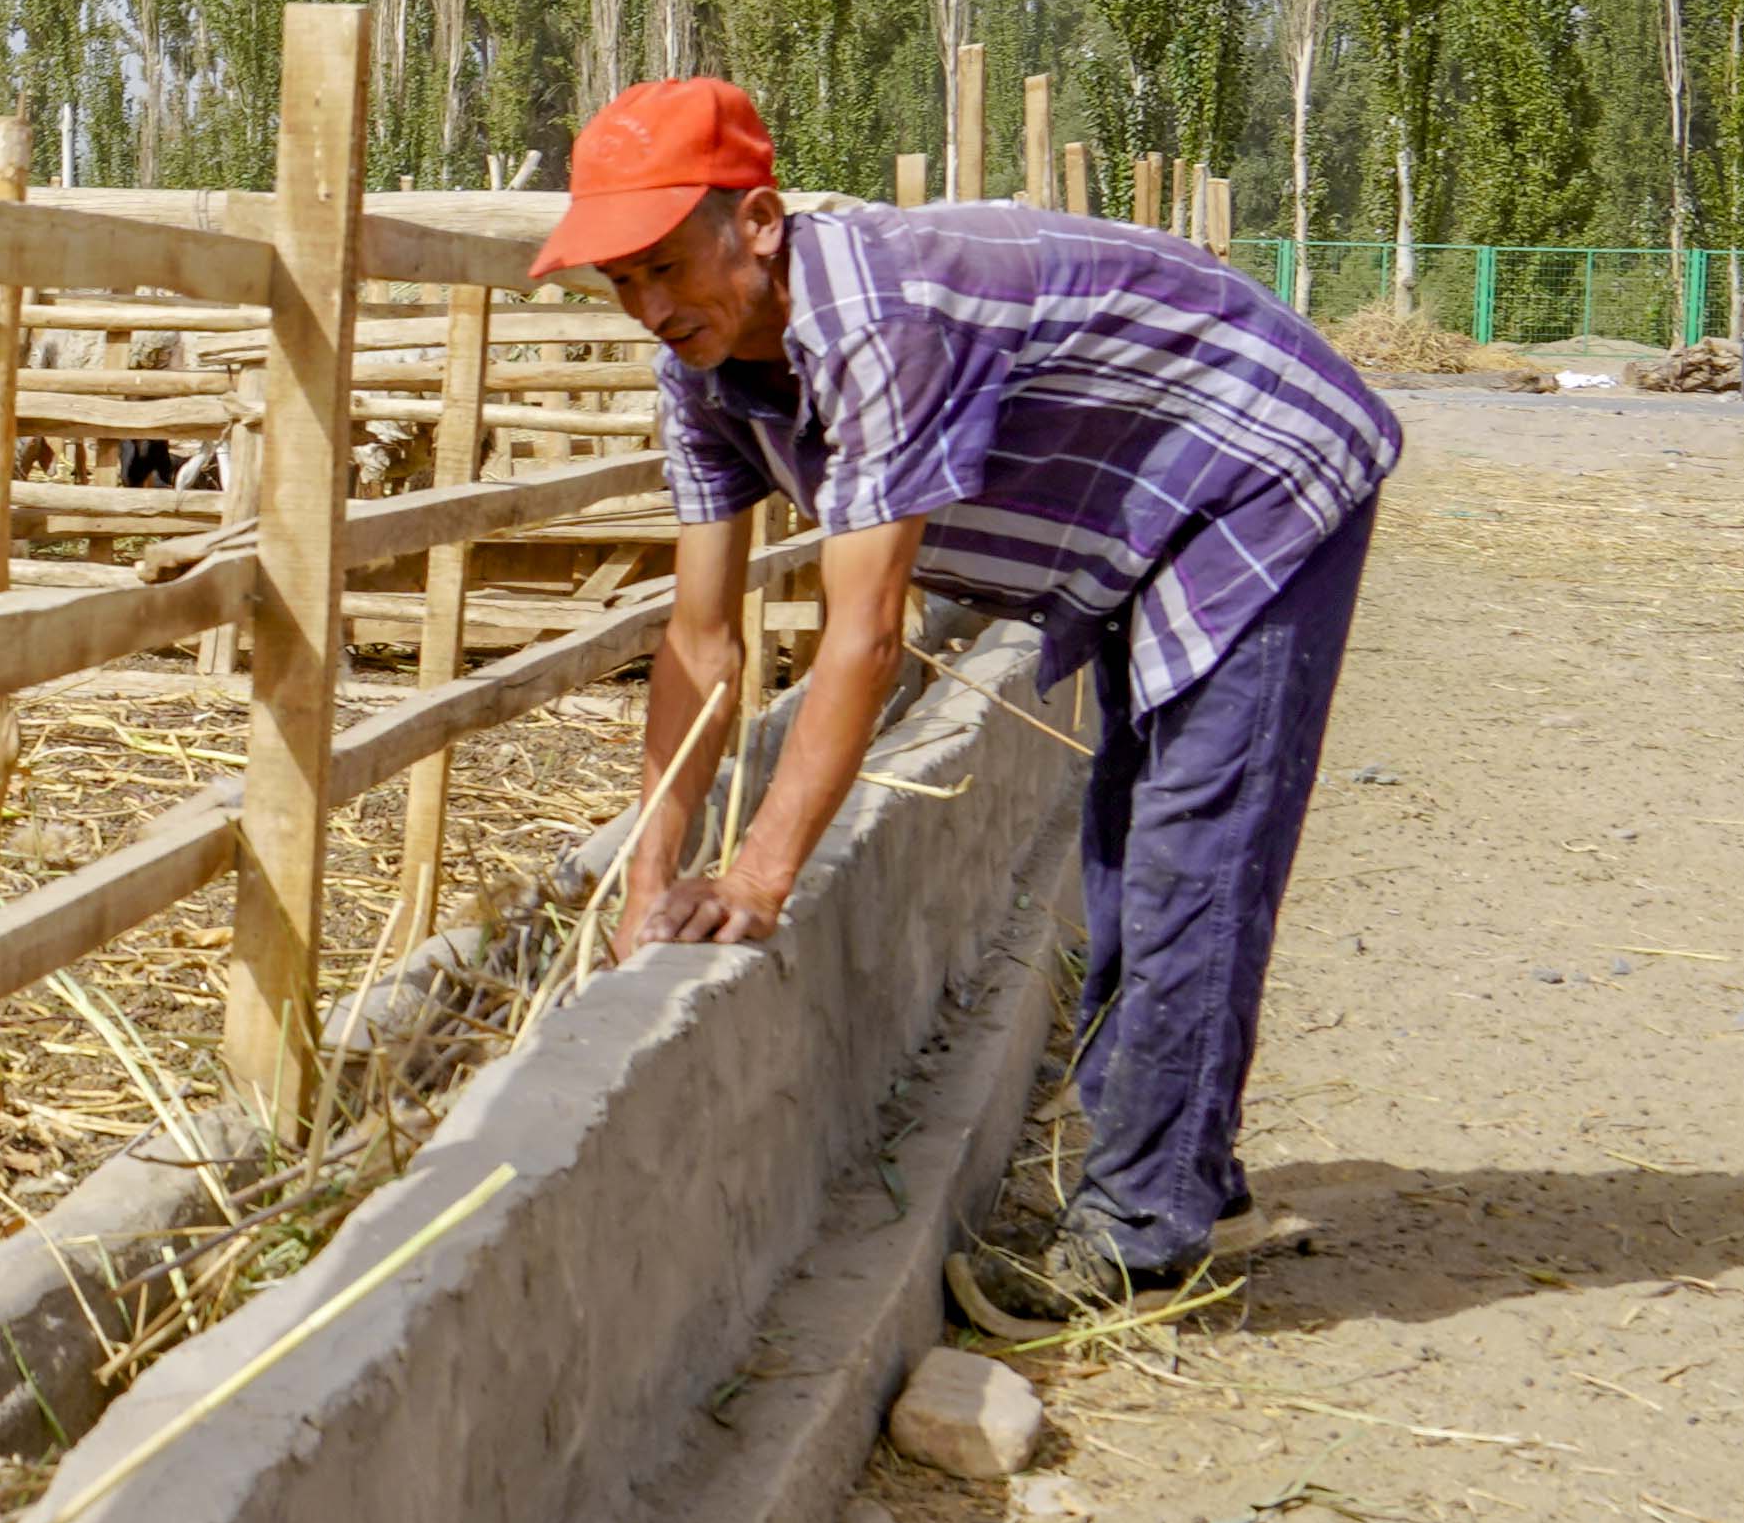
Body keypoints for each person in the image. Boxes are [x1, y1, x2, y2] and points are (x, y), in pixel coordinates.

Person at [526, 77, 1399, 1311]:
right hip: (1140, 512)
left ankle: (1146, 1226)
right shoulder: (705, 364)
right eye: (622, 282)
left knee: (1193, 841)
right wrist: (654, 870)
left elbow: (867, 633)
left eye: (668, 265)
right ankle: (1173, 1164)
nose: (653, 307)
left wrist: (762, 873)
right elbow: (703, 638)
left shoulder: (880, 317)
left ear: (760, 220)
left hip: (1257, 460)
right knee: (1125, 839)